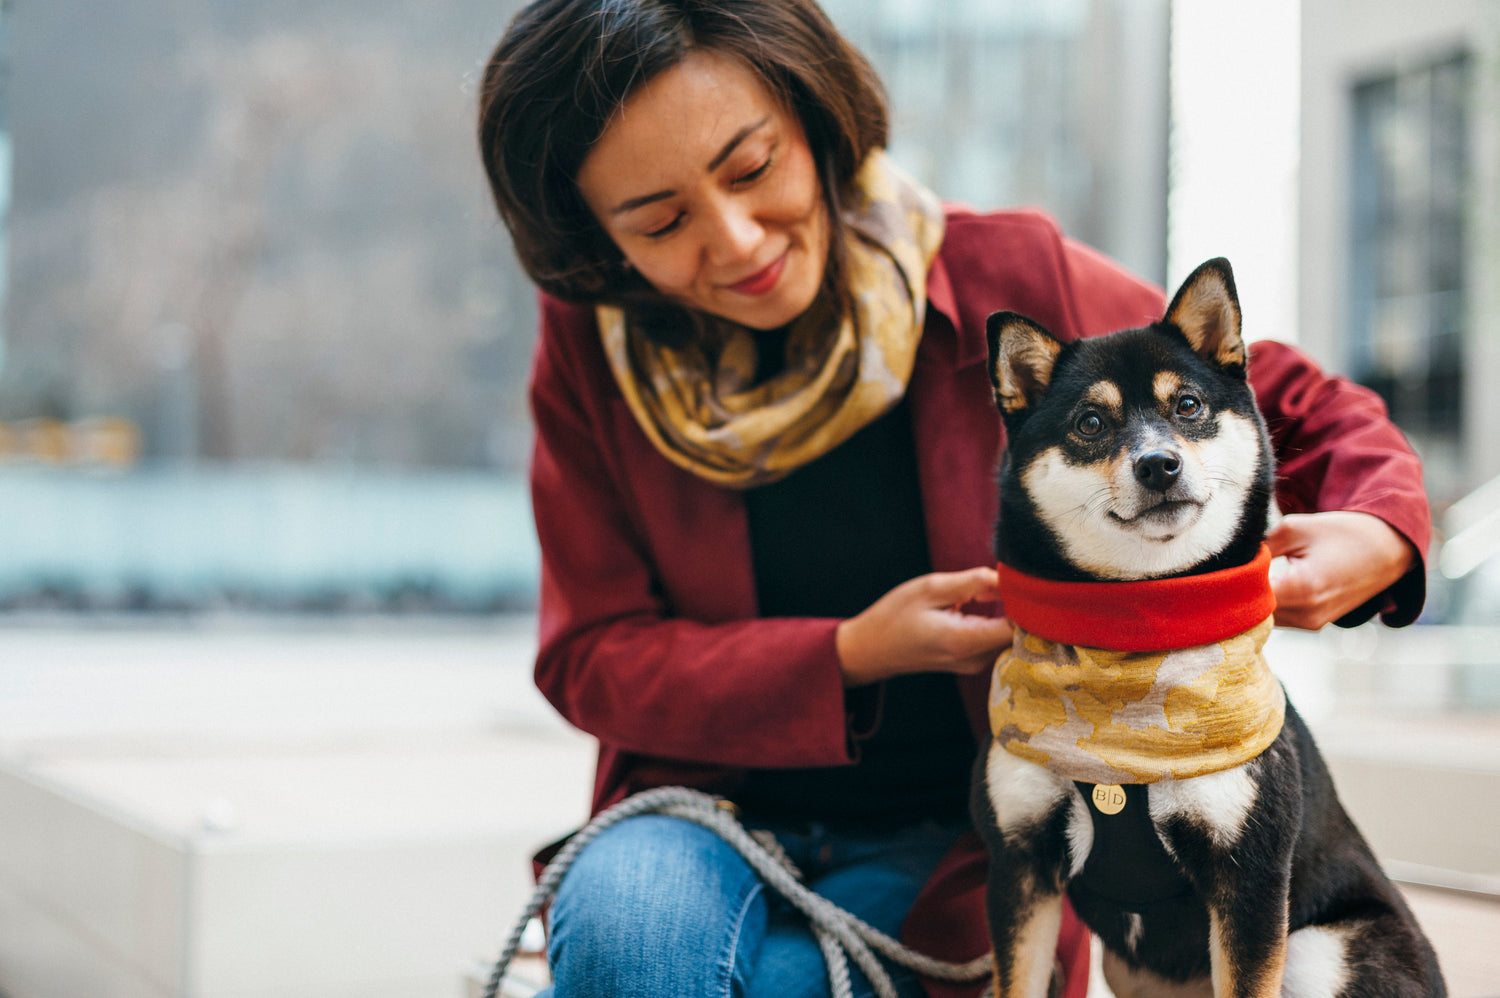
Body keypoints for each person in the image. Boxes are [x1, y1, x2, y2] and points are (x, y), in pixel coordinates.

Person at [475, 2, 1430, 996]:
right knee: (632, 946)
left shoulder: (1002, 279)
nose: (737, 238)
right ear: (592, 235)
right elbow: (590, 654)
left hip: (970, 839)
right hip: (697, 813)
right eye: (662, 222)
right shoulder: (591, 353)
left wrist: (1383, 528)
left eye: (753, 167)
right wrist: (850, 654)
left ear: (813, 117)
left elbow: (1283, 398)